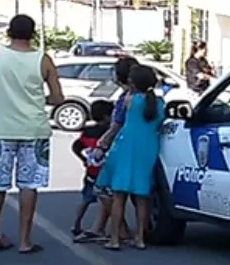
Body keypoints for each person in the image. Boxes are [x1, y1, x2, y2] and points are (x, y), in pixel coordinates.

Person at [0, 14, 65, 254]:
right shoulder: (43, 60)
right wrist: (36, 99)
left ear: (9, 32)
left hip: (2, 129)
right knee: (29, 186)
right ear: (32, 34)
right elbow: (57, 98)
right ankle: (25, 241)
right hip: (34, 131)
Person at [96, 64, 165, 250]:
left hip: (126, 147)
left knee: (119, 194)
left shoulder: (130, 100)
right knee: (142, 195)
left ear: (132, 83)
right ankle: (140, 238)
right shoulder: (159, 103)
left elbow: (120, 122)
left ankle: (115, 238)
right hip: (148, 147)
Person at [85, 56, 139, 244]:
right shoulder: (147, 98)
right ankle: (101, 227)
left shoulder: (125, 99)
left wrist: (102, 144)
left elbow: (117, 125)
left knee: (105, 189)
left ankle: (119, 230)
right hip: (141, 147)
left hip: (121, 147)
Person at [70, 99, 114, 241]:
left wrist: (83, 160)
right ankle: (103, 227)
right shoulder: (108, 133)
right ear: (107, 117)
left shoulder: (87, 132)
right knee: (106, 200)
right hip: (105, 171)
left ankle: (76, 223)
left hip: (91, 171)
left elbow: (76, 146)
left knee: (86, 199)